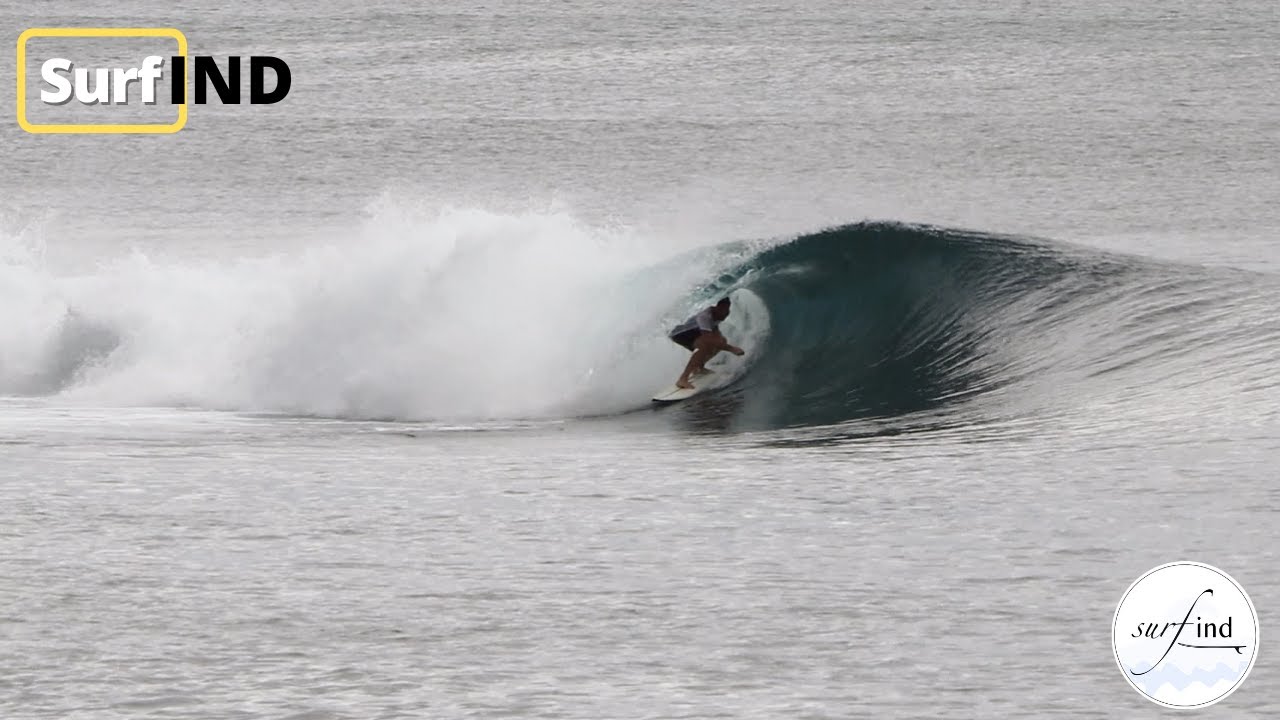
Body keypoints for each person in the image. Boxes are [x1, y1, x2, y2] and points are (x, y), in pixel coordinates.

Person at [668, 297, 744, 389]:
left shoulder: (721, 314)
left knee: (721, 341)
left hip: (695, 333)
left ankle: (699, 368)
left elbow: (714, 333)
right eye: (724, 309)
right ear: (718, 307)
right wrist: (732, 349)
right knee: (704, 345)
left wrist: (722, 343)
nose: (727, 313)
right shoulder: (704, 316)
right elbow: (708, 339)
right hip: (680, 334)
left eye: (728, 309)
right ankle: (683, 379)